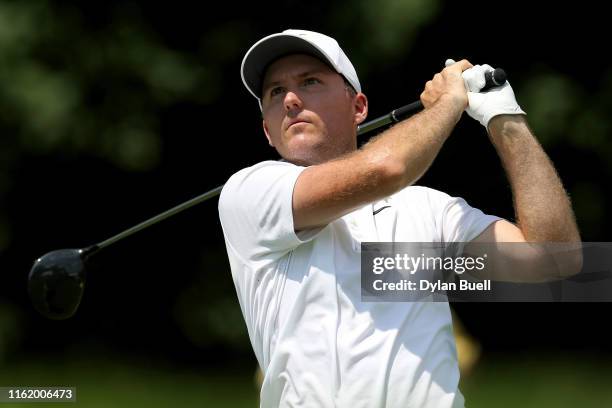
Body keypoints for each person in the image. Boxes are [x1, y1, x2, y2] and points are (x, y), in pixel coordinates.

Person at [218, 29, 581, 407]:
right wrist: (447, 105)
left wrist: (504, 117)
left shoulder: (429, 209)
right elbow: (388, 167)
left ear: (358, 108)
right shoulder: (249, 192)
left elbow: (556, 258)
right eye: (275, 92)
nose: (291, 99)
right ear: (266, 129)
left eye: (309, 81)